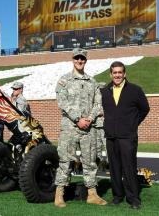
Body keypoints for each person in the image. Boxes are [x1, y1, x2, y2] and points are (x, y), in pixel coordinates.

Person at [54, 48, 107, 208]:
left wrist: (89, 119)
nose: (79, 61)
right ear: (72, 59)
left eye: (82, 58)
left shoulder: (92, 82)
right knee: (65, 160)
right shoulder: (64, 80)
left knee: (90, 161)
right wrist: (78, 119)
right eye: (77, 58)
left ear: (85, 60)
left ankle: (92, 194)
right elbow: (62, 103)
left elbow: (98, 104)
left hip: (88, 128)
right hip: (70, 127)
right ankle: (59, 193)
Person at [101, 61, 150, 210]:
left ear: (124, 74)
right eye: (114, 72)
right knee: (114, 168)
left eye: (120, 72)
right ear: (111, 74)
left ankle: (133, 198)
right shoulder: (104, 91)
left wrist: (133, 123)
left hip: (128, 136)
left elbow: (145, 109)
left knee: (129, 167)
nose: (117, 75)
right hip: (111, 136)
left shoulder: (135, 90)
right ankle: (117, 196)